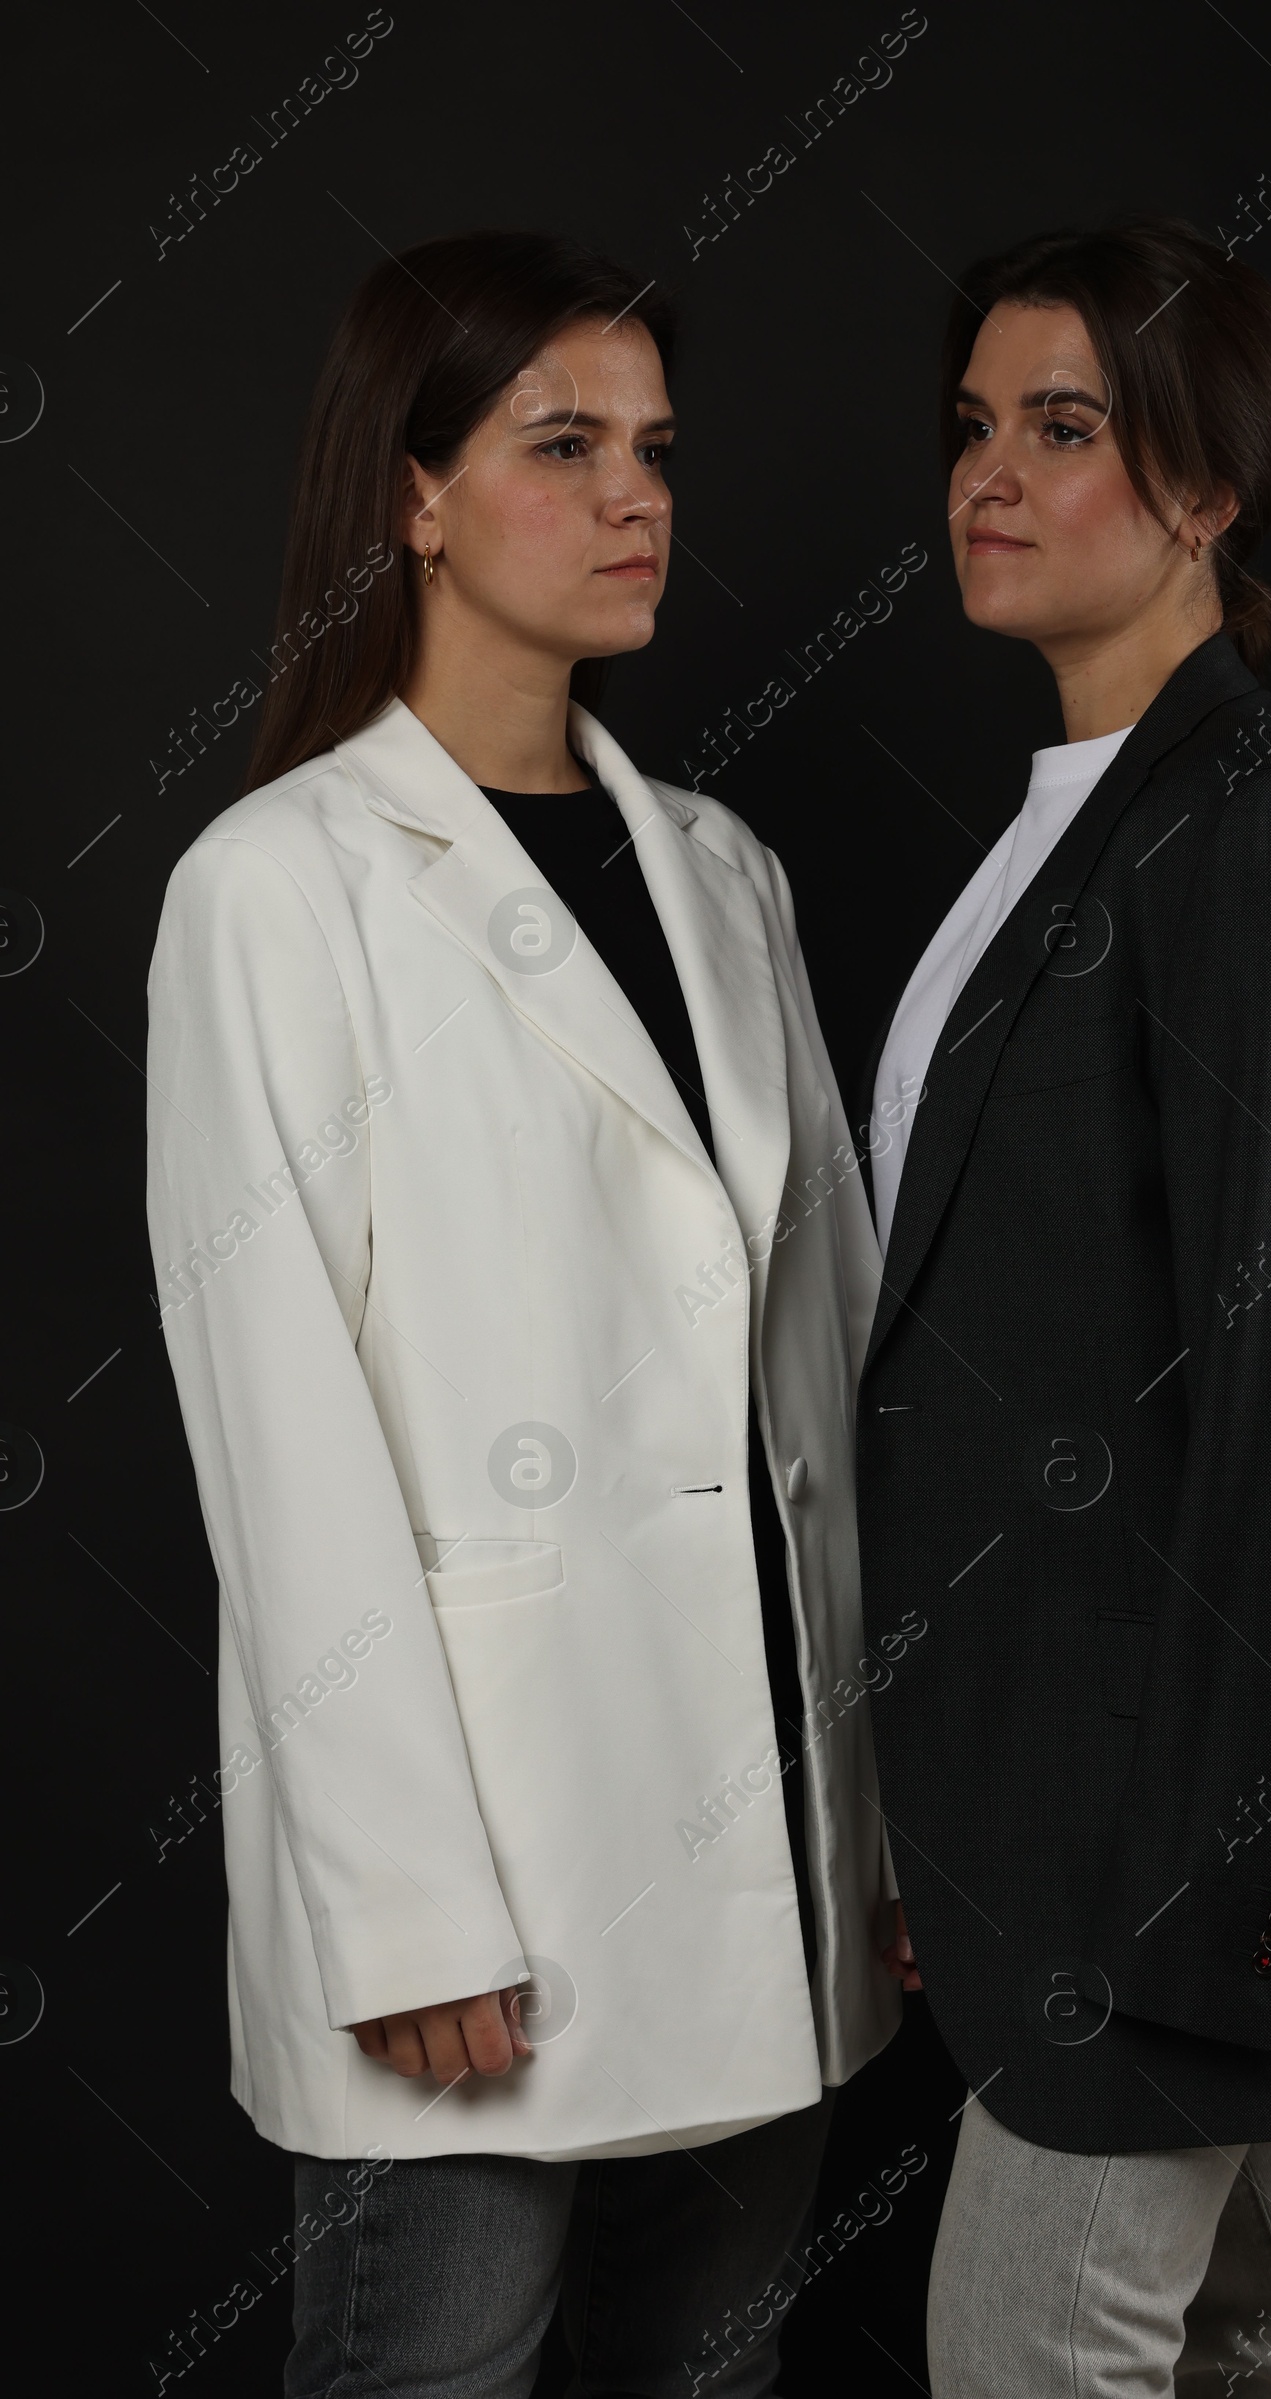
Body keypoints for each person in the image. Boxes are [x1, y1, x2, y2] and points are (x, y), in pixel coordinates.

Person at [145, 228, 898, 2397]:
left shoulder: (723, 874)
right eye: (562, 446)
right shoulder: (278, 889)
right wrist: (400, 1911)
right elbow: (278, 1428)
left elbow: (823, 1383)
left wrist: (875, 1808)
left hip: (758, 1834)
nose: (636, 495)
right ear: (411, 494)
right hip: (486, 1869)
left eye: (654, 448)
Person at [855, 217, 1271, 2395]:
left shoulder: (1257, 830)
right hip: (1055, 1819)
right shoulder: (1070, 833)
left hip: (1170, 1854)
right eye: (972, 428)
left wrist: (1214, 1896)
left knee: (1032, 2352)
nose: (992, 473)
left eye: (1065, 427)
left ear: (1207, 490)